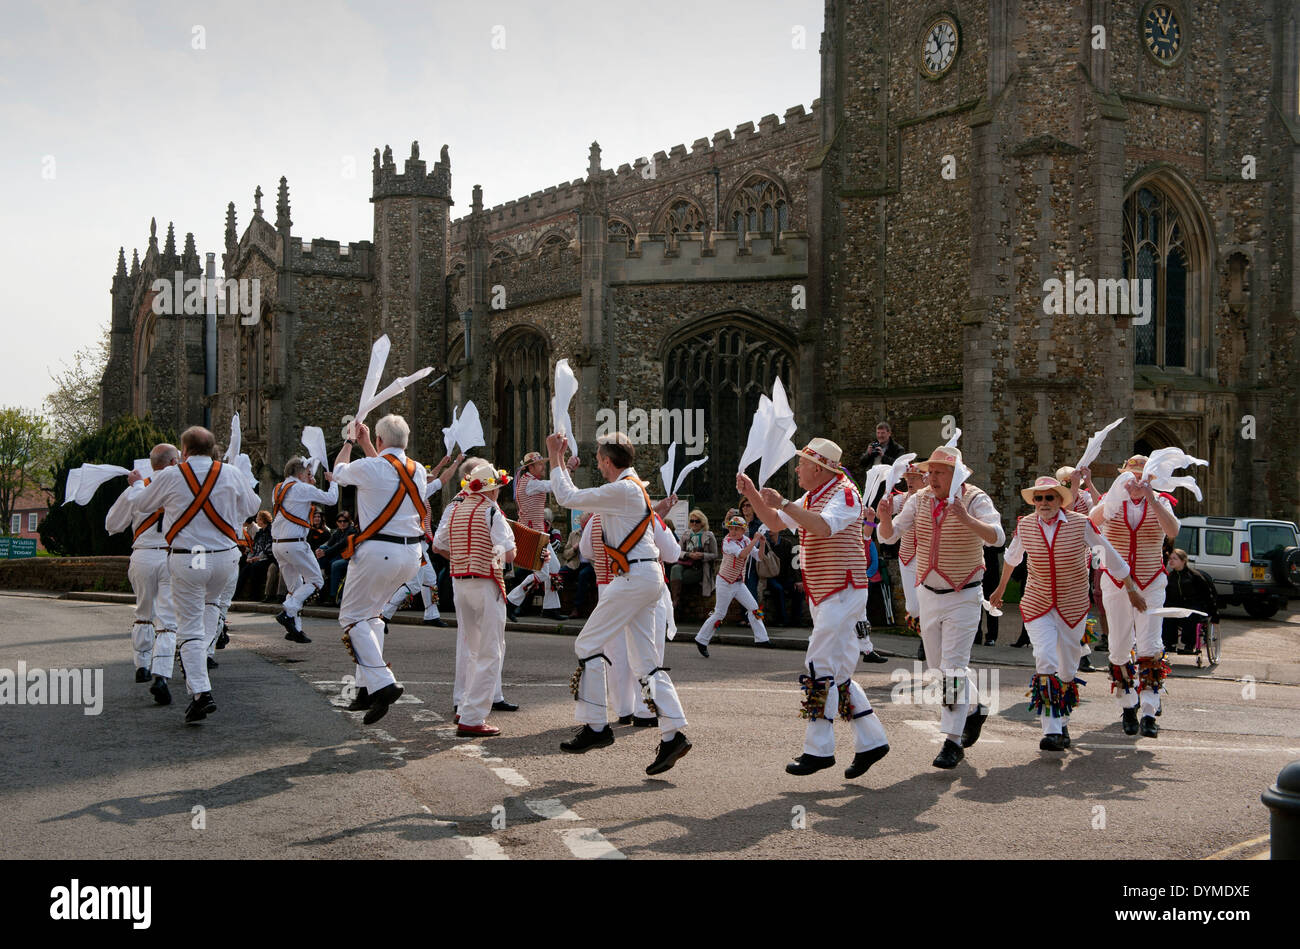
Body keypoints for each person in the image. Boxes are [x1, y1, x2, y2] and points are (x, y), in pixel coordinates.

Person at [739, 437, 891, 780]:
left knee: (819, 662)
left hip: (843, 591)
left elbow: (822, 527)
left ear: (819, 469)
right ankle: (871, 740)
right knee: (836, 670)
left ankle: (819, 749)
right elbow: (777, 523)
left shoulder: (845, 493)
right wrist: (751, 493)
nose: (797, 469)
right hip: (829, 593)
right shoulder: (817, 495)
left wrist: (787, 503)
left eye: (802, 464)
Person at [547, 430, 692, 776]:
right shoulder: (632, 489)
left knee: (588, 643)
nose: (597, 463)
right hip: (643, 577)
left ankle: (596, 726)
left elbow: (567, 497)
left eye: (598, 459)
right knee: (646, 663)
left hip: (630, 579)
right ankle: (673, 734)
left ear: (609, 462)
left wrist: (555, 457)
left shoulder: (623, 490)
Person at [875, 445, 1004, 769]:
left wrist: (966, 518)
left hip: (964, 594)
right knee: (937, 671)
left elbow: (997, 537)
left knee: (953, 670)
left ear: (955, 474)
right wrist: (885, 518)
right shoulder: (918, 500)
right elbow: (890, 538)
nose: (930, 477)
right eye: (928, 472)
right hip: (929, 592)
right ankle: (974, 709)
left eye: (938, 472)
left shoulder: (975, 498)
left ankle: (951, 740)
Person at [990, 476, 1136, 752]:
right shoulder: (1026, 525)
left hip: (1072, 604)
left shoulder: (1081, 524)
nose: (1043, 503)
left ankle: (1063, 717)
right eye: (1039, 498)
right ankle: (1052, 730)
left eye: (1049, 498)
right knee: (1044, 657)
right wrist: (999, 590)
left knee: (1068, 668)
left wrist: (1130, 588)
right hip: (1037, 601)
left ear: (1060, 500)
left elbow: (1109, 555)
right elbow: (1012, 558)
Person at [128, 426, 260, 724]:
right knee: (210, 609)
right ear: (213, 449)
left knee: (189, 628)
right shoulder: (230, 473)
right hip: (224, 558)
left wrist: (137, 485)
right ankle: (207, 652)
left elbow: (142, 504)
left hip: (192, 558)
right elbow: (253, 507)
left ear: (183, 451)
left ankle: (201, 692)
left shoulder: (171, 475)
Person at [327, 415, 428, 725]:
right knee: (372, 616)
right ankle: (365, 689)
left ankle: (382, 684)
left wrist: (349, 442)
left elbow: (337, 474)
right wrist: (368, 444)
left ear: (382, 441)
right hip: (410, 555)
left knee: (352, 617)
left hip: (378, 552)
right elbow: (387, 472)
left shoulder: (372, 468)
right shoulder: (418, 470)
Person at [1089, 455, 1181, 738]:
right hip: (1116, 582)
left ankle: (1150, 711)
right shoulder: (1111, 499)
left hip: (1151, 580)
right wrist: (1115, 496)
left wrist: (1151, 498)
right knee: (1118, 645)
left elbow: (1173, 531)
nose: (1136, 482)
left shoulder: (1160, 502)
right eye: (1131, 476)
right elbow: (1091, 524)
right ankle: (1128, 705)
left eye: (1142, 477)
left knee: (1150, 645)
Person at [432, 461, 515, 737]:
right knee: (491, 650)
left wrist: (463, 558)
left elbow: (439, 545)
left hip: (459, 583)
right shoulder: (491, 510)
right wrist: (492, 561)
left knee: (470, 646)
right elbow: (509, 552)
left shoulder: (454, 508)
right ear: (491, 490)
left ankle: (464, 705)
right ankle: (472, 716)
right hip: (484, 583)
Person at [105, 442, 182, 705]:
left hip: (142, 554)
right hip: (172, 555)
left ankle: (142, 665)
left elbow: (112, 524)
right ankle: (161, 674)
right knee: (168, 618)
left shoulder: (138, 487)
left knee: (143, 611)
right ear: (173, 462)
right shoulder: (182, 485)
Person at [271, 456, 339, 644]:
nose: (311, 476)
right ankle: (288, 610)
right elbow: (332, 499)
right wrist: (332, 482)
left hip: (278, 544)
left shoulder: (278, 488)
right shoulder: (301, 488)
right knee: (316, 580)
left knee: (295, 588)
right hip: (295, 544)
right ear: (301, 474)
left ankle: (296, 629)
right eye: (309, 473)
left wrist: (310, 483)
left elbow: (299, 506)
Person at [506, 450, 578, 621]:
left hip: (538, 535)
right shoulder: (530, 484)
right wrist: (568, 467)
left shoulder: (528, 481)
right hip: (533, 536)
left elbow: (555, 484)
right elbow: (554, 485)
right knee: (544, 573)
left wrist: (565, 468)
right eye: (539, 464)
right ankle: (510, 601)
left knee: (553, 569)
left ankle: (550, 608)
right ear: (530, 467)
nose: (543, 466)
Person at [694, 515, 771, 655]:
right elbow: (742, 555)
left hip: (738, 582)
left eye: (737, 529)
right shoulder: (727, 542)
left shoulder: (746, 540)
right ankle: (701, 639)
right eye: (731, 528)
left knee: (754, 608)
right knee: (720, 613)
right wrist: (754, 540)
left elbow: (759, 557)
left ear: (743, 531)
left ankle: (762, 639)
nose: (733, 531)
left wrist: (762, 543)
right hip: (725, 581)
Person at [1163, 549, 1217, 654]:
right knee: (1167, 616)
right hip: (1177, 605)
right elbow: (1167, 596)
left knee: (1190, 616)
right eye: (1170, 559)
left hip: (1194, 605)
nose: (1171, 561)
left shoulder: (1195, 576)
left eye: (1175, 558)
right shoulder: (1170, 577)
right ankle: (1168, 643)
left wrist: (1213, 612)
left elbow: (1208, 594)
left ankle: (1189, 645)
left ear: (1183, 561)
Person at [669, 510, 718, 609]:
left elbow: (715, 554)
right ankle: (675, 601)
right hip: (685, 563)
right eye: (692, 521)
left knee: (678, 577)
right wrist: (688, 554)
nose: (694, 523)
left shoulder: (709, 535)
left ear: (702, 522)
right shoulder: (686, 534)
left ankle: (675, 603)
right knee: (675, 569)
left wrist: (702, 555)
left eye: (697, 521)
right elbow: (678, 551)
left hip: (699, 567)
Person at [858, 422, 907, 503]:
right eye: (878, 433)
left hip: (886, 483)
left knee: (883, 507)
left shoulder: (898, 448)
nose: (880, 436)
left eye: (883, 433)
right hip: (872, 481)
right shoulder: (873, 445)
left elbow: (898, 466)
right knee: (868, 506)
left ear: (889, 433)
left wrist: (883, 456)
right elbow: (862, 463)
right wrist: (868, 454)